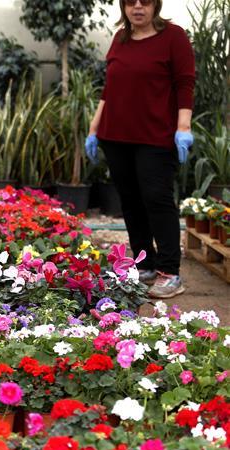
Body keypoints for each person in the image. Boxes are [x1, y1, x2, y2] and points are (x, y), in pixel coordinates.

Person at [85, 0, 195, 299]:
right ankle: (145, 263)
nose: (137, 7)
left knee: (157, 199)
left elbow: (185, 84)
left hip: (156, 136)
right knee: (130, 200)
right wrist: (94, 130)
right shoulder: (120, 38)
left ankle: (171, 272)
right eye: (130, 1)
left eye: (145, 1)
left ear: (155, 5)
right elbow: (110, 90)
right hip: (115, 135)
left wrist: (183, 128)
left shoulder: (174, 36)